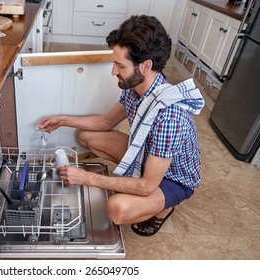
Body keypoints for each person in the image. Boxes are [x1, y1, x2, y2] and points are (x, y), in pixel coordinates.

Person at [38, 15, 205, 236]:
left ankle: (164, 208)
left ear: (145, 66)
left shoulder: (169, 116)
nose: (113, 71)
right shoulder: (135, 88)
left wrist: (86, 178)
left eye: (120, 65)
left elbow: (146, 186)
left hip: (173, 179)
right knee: (87, 136)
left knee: (117, 209)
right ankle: (136, 183)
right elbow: (106, 122)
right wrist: (63, 120)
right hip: (149, 158)